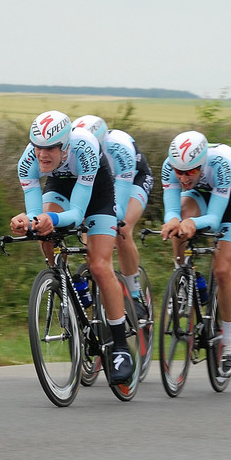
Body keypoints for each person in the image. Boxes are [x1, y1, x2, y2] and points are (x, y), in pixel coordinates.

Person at [9, 110, 134, 384]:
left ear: (65, 145)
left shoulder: (85, 147)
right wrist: (28, 222)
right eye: (38, 146)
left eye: (50, 148)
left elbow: (77, 214)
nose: (42, 154)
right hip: (60, 184)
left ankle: (121, 346)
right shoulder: (28, 161)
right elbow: (35, 213)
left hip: (97, 190)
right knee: (43, 231)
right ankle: (60, 279)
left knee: (100, 266)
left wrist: (48, 218)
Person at [159, 130, 231, 375]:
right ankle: (182, 275)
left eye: (190, 171)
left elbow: (215, 220)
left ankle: (229, 342)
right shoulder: (171, 166)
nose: (184, 177)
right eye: (179, 172)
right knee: (182, 219)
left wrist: (192, 225)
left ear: (202, 163)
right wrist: (174, 221)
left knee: (222, 270)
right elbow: (172, 209)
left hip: (229, 201)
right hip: (200, 195)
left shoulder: (220, 163)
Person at [72, 116, 154, 320]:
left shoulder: (119, 147)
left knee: (121, 228)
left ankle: (135, 294)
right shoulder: (78, 150)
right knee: (88, 236)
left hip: (132, 180)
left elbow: (117, 206)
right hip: (101, 183)